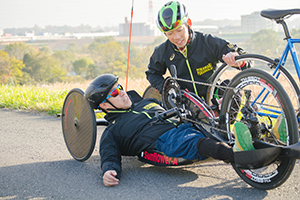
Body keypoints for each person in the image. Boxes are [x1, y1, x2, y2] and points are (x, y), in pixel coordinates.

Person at [84, 74, 255, 187]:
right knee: (197, 141)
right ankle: (240, 155)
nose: (122, 93)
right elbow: (108, 153)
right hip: (164, 140)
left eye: (120, 87)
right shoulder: (113, 131)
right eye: (115, 92)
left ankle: (262, 133)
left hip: (185, 122)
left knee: (225, 88)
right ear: (105, 105)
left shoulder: (147, 101)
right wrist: (109, 170)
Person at [145, 1, 247, 99]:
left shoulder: (207, 42)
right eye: (170, 34)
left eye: (179, 30)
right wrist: (167, 88)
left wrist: (238, 60)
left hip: (213, 97)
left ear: (188, 23)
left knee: (231, 88)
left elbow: (245, 58)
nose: (176, 37)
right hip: (186, 103)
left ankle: (224, 116)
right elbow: (152, 73)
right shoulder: (162, 51)